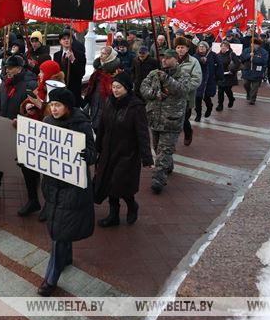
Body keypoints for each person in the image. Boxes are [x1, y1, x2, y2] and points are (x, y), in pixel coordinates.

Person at [37, 86, 97, 297]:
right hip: (53, 184)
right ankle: (67, 257)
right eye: (51, 105)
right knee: (60, 227)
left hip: (72, 186)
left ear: (68, 107)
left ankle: (50, 278)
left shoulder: (81, 125)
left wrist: (82, 154)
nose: (53, 109)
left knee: (59, 232)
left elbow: (93, 154)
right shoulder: (47, 123)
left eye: (58, 105)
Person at [93, 72, 152, 227]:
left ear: (127, 88)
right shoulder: (109, 102)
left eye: (119, 87)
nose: (115, 90)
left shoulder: (136, 107)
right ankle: (113, 216)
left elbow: (142, 133)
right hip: (109, 151)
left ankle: (132, 205)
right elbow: (102, 127)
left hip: (127, 153)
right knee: (109, 183)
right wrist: (97, 147)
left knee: (120, 185)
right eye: (113, 87)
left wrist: (147, 158)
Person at [140, 49, 194, 194]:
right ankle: (167, 166)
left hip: (172, 120)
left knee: (164, 151)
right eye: (163, 58)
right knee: (158, 148)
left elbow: (182, 90)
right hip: (154, 117)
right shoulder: (154, 74)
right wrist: (155, 94)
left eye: (168, 58)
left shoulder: (183, 75)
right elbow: (143, 88)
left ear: (176, 59)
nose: (164, 60)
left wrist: (167, 80)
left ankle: (158, 179)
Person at [0, 55, 35, 197]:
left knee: (25, 164)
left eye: (11, 68)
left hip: (21, 127)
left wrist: (22, 119)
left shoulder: (29, 84)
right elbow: (1, 105)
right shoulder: (5, 83)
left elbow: (34, 111)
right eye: (6, 67)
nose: (7, 70)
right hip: (4, 123)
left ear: (20, 69)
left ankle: (33, 197)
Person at [17, 60, 65, 217]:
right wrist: (27, 107)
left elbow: (56, 115)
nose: (39, 74)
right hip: (34, 134)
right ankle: (33, 200)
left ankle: (49, 204)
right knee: (27, 167)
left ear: (50, 74)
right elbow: (25, 103)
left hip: (49, 138)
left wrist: (41, 106)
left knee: (49, 174)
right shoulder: (40, 87)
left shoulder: (60, 92)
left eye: (42, 72)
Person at [173, 37, 202, 145]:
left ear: (187, 48)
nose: (180, 49)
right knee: (173, 119)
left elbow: (196, 79)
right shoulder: (172, 59)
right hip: (172, 96)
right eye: (178, 47)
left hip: (187, 97)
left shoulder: (193, 62)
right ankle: (172, 141)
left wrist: (183, 88)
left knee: (184, 119)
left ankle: (188, 133)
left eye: (182, 47)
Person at [83, 46, 122, 127]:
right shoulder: (98, 67)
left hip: (106, 99)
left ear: (109, 56)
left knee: (103, 123)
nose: (101, 55)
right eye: (101, 53)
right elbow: (92, 82)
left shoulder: (115, 70)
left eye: (104, 54)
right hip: (95, 98)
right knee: (94, 121)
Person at [53, 28, 86, 104]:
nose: (66, 40)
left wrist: (73, 60)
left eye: (68, 38)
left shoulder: (79, 55)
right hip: (60, 89)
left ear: (72, 40)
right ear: (60, 41)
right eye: (64, 39)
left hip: (73, 91)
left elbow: (82, 72)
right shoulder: (56, 55)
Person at [193, 42, 220, 121]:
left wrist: (219, 76)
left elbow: (219, 64)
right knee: (197, 98)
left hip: (209, 80)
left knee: (206, 97)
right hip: (198, 80)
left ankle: (209, 107)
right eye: (200, 46)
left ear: (207, 48)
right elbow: (195, 62)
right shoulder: (195, 56)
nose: (201, 48)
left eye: (203, 46)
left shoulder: (212, 55)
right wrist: (201, 60)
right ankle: (198, 115)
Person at [241, 38, 269, 104]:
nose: (253, 45)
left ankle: (252, 99)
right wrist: (249, 56)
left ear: (259, 45)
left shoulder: (264, 52)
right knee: (245, 83)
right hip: (247, 70)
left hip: (257, 72)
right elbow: (242, 58)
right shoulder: (247, 50)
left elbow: (264, 61)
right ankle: (248, 93)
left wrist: (253, 59)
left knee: (255, 87)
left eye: (255, 44)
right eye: (252, 43)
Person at [215, 41, 240, 111]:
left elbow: (237, 63)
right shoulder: (217, 55)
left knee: (227, 89)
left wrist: (232, 70)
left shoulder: (231, 54)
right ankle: (220, 105)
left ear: (228, 47)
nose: (223, 48)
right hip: (221, 75)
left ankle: (231, 99)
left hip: (229, 75)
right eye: (222, 46)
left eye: (225, 46)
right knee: (220, 91)